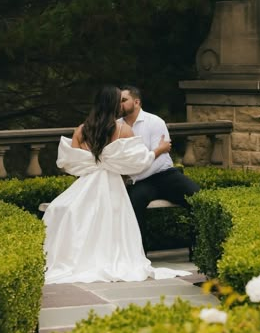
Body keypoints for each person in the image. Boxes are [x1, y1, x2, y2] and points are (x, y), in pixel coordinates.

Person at [43, 85, 190, 284]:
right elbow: (138, 162)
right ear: (113, 105)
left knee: (66, 211)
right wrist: (159, 149)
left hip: (87, 183)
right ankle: (110, 257)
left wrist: (93, 165)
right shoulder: (122, 130)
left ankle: (77, 259)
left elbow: (70, 163)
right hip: (111, 183)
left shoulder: (81, 130)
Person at [119, 85, 200, 248]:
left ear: (136, 102)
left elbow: (160, 158)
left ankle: (198, 246)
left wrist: (134, 176)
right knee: (134, 203)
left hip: (164, 175)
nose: (118, 104)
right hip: (141, 183)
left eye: (123, 100)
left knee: (198, 197)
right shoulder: (117, 126)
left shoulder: (155, 122)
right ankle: (140, 255)